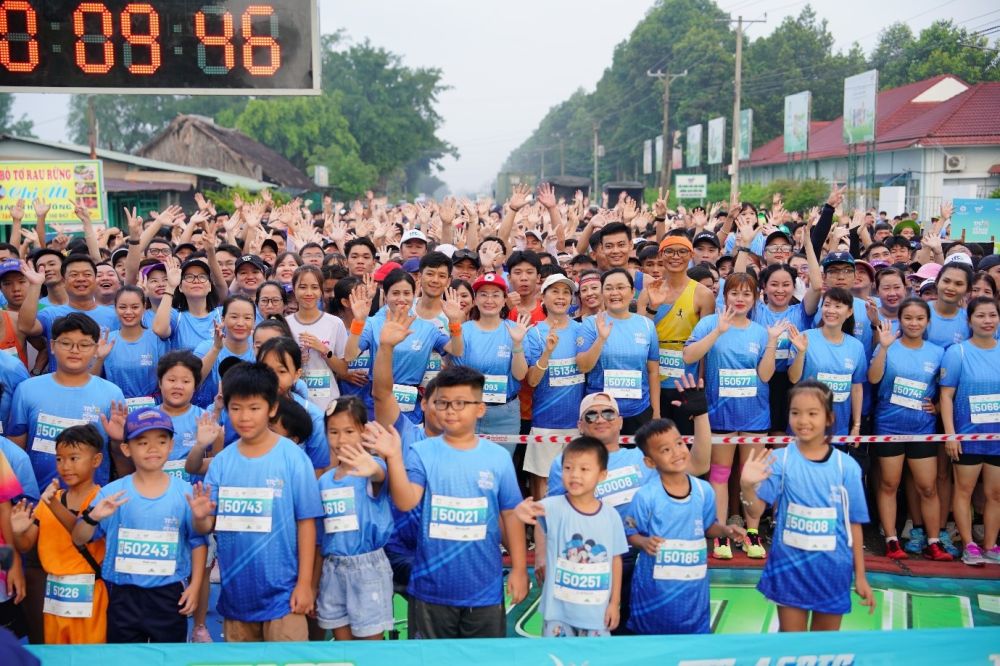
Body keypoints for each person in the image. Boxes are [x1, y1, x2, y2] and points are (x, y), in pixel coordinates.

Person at [368, 365, 528, 639]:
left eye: (461, 403)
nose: (451, 410)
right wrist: (394, 457)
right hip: (430, 590)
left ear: (480, 408)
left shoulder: (497, 457)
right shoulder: (420, 453)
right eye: (443, 403)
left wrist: (520, 569)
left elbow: (511, 514)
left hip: (485, 590)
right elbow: (406, 502)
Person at [188, 362, 324, 642]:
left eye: (254, 408)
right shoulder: (222, 463)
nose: (244, 417)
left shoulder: (294, 458)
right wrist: (200, 516)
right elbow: (206, 526)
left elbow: (307, 524)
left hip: (285, 599)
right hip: (237, 599)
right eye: (236, 408)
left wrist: (305, 585)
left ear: (272, 408)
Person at [740, 380, 875, 632]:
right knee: (793, 646)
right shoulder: (779, 460)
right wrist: (747, 486)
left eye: (812, 413)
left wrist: (861, 575)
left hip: (832, 571)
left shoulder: (847, 467)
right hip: (789, 570)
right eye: (795, 413)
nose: (803, 420)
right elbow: (755, 512)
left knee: (824, 649)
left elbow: (853, 524)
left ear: (829, 418)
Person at [71, 407, 207, 643]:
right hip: (122, 595)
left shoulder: (184, 493)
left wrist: (194, 586)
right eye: (142, 442)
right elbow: (79, 538)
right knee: (123, 658)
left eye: (161, 441)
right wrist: (93, 517)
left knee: (167, 658)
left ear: (171, 445)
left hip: (168, 594)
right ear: (126, 449)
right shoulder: (111, 493)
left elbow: (197, 542)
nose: (153, 449)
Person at [684, 273, 784, 560]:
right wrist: (718, 331)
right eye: (734, 293)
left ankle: (753, 532)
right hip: (718, 417)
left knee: (751, 478)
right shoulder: (708, 323)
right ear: (724, 296)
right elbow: (689, 357)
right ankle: (722, 534)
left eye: (747, 294)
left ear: (755, 299)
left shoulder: (762, 331)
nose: (740, 299)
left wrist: (773, 342)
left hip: (755, 417)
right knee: (720, 475)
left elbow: (765, 375)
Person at [623, 419, 746, 635]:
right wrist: (643, 542)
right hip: (653, 597)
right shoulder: (646, 497)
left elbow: (708, 527)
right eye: (665, 450)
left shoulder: (704, 490)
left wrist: (726, 531)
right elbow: (630, 532)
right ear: (650, 462)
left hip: (693, 599)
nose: (677, 452)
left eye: (679, 444)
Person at [511, 436, 628, 637]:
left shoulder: (611, 516)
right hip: (558, 616)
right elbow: (523, 513)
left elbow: (615, 560)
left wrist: (614, 603)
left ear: (602, 475)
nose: (575, 475)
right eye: (568, 468)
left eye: (584, 469)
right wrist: (520, 511)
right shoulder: (552, 506)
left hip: (596, 615)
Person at [868, 299, 954, 561]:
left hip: (922, 429)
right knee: (889, 483)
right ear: (899, 320)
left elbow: (949, 391)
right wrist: (882, 348)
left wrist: (938, 408)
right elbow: (872, 378)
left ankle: (933, 541)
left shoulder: (938, 353)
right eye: (908, 318)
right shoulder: (888, 346)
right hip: (888, 427)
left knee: (928, 487)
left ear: (927, 322)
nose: (913, 323)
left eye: (919, 318)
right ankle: (892, 539)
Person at [9, 425, 108, 644]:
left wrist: (53, 504)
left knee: (89, 657)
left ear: (96, 460)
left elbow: (79, 533)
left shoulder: (102, 500)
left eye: (74, 458)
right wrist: (17, 532)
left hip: (90, 595)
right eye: (59, 459)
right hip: (54, 594)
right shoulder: (49, 500)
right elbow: (26, 545)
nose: (65, 466)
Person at [8, 313, 128, 489]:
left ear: (96, 349)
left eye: (84, 344)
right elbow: (14, 454)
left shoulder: (112, 394)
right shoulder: (27, 390)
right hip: (37, 503)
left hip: (91, 506)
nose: (74, 350)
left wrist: (118, 442)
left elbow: (121, 462)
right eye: (66, 343)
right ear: (52, 346)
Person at [315, 397, 394, 640]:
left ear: (363, 431)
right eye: (334, 432)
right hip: (332, 569)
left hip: (368, 570)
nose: (341, 439)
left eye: (349, 431)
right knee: (343, 645)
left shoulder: (372, 469)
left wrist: (373, 467)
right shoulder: (324, 482)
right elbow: (320, 538)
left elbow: (381, 473)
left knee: (370, 651)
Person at [347, 270, 463, 424]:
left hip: (411, 404)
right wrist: (359, 321)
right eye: (395, 293)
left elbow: (456, 350)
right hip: (376, 402)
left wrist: (454, 321)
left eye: (406, 293)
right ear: (385, 296)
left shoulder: (428, 328)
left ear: (414, 294)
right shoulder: (373, 323)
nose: (401, 299)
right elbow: (349, 355)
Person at [940, 297, 1000, 566]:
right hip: (966, 438)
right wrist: (951, 434)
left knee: (995, 494)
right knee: (963, 491)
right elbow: (946, 396)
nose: (987, 321)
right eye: (981, 316)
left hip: (996, 438)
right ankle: (969, 545)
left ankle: (990, 544)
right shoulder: (957, 353)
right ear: (969, 320)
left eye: (992, 315)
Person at [577, 269, 660, 435]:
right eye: (608, 288)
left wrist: (656, 412)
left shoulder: (646, 325)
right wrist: (601, 339)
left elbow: (653, 371)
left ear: (632, 292)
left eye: (620, 287)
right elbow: (583, 367)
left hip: (639, 412)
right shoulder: (590, 324)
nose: (614, 293)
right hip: (599, 415)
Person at [524, 274, 584, 499]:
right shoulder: (534, 333)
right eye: (555, 291)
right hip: (545, 422)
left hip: (578, 423)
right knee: (543, 484)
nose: (561, 297)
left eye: (566, 292)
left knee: (576, 484)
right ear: (543, 297)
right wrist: (547, 352)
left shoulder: (582, 330)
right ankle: (541, 531)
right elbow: (532, 380)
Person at [454, 274, 529, 442]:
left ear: (504, 300)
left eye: (496, 295)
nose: (489, 300)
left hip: (505, 415)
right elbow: (457, 375)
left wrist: (517, 344)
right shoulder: (463, 331)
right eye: (483, 294)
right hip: (468, 410)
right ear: (475, 300)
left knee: (501, 465)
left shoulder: (516, 330)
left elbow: (520, 375)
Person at [788, 288, 866, 438]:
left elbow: (857, 388)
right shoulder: (804, 338)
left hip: (839, 430)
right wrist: (801, 352)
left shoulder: (856, 347)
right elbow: (793, 378)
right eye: (827, 305)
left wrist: (856, 425)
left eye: (838, 306)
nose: (831, 310)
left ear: (849, 312)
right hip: (804, 428)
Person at [256, 338, 331, 473]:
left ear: (297, 374)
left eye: (282, 371)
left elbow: (318, 469)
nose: (273, 378)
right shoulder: (245, 409)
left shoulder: (314, 417)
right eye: (266, 370)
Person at [92, 286, 166, 412]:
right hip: (117, 411)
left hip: (153, 411)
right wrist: (99, 359)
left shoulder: (156, 339)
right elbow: (91, 382)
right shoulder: (106, 340)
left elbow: (166, 377)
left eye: (135, 307)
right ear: (115, 308)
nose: (128, 312)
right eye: (122, 307)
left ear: (144, 307)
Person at [287, 265, 349, 412]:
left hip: (327, 403)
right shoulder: (285, 324)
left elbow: (343, 369)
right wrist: (297, 359)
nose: (309, 293)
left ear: (321, 291)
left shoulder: (335, 323)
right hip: (295, 403)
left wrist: (323, 349)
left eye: (314, 287)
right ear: (294, 290)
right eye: (302, 287)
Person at [193, 297, 256, 409]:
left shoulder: (258, 350)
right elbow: (192, 381)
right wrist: (216, 349)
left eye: (247, 318)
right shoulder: (207, 347)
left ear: (254, 322)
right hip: (207, 418)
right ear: (223, 319)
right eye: (234, 317)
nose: (240, 323)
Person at [152, 256, 221, 352]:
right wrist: (171, 286)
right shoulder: (176, 315)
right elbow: (159, 329)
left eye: (202, 276)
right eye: (189, 277)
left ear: (209, 286)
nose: (196, 281)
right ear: (180, 287)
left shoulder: (222, 314)